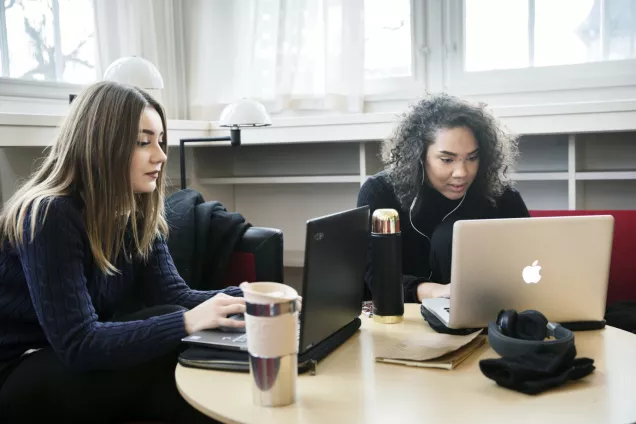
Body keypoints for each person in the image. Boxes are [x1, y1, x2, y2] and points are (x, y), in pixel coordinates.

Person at [0, 81, 246, 423]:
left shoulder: (135, 211)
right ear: (102, 144)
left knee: (175, 337)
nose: (160, 155)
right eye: (143, 142)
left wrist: (249, 299)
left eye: (160, 141)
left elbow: (174, 293)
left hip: (66, 359)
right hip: (20, 370)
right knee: (175, 336)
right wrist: (188, 322)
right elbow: (78, 343)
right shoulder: (49, 214)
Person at [357, 93, 530, 304]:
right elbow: (375, 276)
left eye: (472, 158)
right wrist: (436, 292)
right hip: (404, 315)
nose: (462, 173)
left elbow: (531, 263)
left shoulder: (501, 197)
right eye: (447, 160)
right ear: (419, 156)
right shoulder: (380, 193)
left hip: (486, 313)